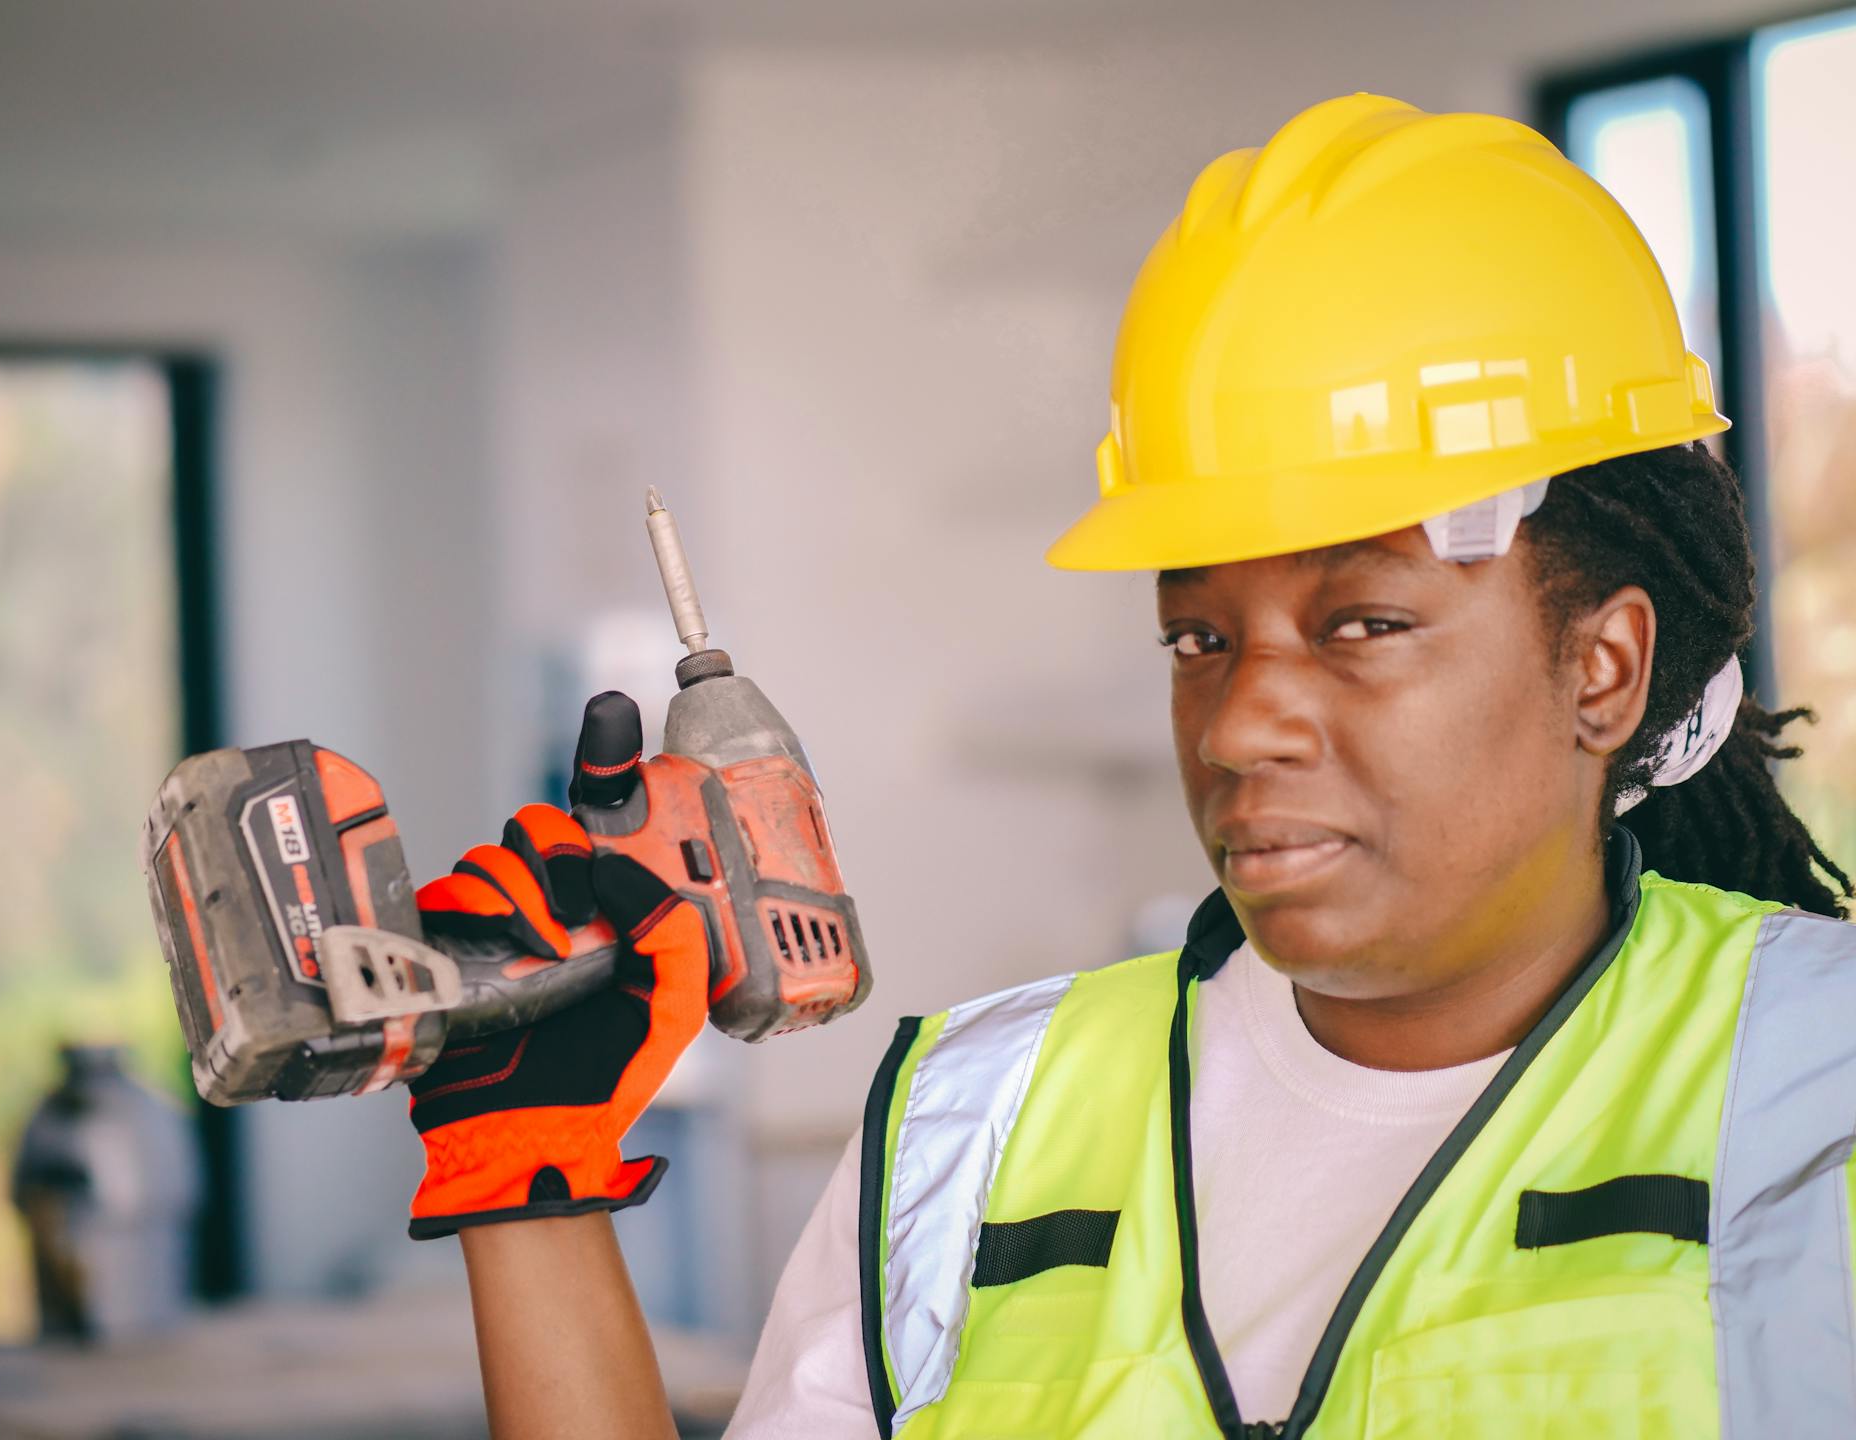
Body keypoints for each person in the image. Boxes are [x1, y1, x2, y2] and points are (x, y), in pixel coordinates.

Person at [403, 94, 1856, 1439]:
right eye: (1199, 642)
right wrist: (521, 1176)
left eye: (1361, 624)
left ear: (1600, 667)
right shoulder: (973, 1127)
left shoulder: (1818, 1094)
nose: (1236, 729)